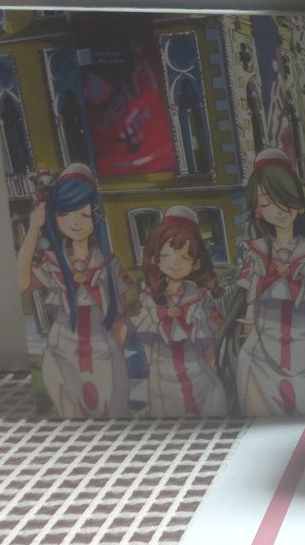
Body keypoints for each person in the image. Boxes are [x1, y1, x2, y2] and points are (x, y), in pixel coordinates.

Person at [221, 148, 305, 416]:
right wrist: (252, 321)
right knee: (261, 417)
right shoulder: (256, 251)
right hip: (260, 346)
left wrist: (303, 325)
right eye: (268, 202)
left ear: (298, 204)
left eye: (284, 199)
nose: (279, 210)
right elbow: (250, 297)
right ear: (258, 210)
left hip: (303, 345)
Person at [15, 163, 131, 418]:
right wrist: (34, 228)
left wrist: (115, 351)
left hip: (103, 351)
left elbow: (121, 315)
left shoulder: (108, 263)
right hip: (62, 351)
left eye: (84, 214)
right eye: (65, 213)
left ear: (96, 215)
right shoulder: (53, 262)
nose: (75, 223)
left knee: (111, 412)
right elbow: (20, 284)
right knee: (70, 416)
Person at [133, 206, 227, 417]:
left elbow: (211, 343)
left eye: (185, 257)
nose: (175, 263)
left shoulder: (200, 298)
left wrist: (209, 367)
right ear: (155, 258)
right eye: (167, 255)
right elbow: (146, 340)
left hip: (198, 374)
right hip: (163, 377)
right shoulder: (149, 299)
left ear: (196, 263)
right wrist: (153, 367)